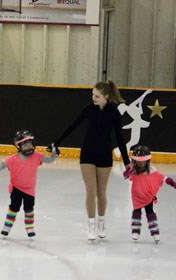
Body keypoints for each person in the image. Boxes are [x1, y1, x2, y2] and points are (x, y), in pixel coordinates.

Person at [49, 80, 132, 241]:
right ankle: (91, 225)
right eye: (92, 95)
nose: (93, 98)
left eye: (97, 96)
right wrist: (57, 142)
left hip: (104, 155)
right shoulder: (88, 110)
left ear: (106, 96)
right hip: (87, 154)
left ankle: (101, 223)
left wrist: (126, 161)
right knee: (90, 190)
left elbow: (120, 139)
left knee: (101, 191)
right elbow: (72, 126)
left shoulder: (114, 113)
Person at [0, 130, 58, 239]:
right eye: (25, 145)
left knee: (29, 208)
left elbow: (49, 160)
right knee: (13, 208)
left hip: (29, 190)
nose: (28, 146)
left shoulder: (37, 156)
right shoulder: (13, 159)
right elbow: (3, 164)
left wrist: (54, 152)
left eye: (30, 143)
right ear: (19, 146)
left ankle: (29, 227)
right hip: (16, 188)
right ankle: (7, 226)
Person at [123, 145, 176, 243]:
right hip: (136, 196)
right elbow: (125, 176)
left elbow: (162, 177)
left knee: (150, 213)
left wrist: (170, 181)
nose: (140, 162)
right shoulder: (134, 171)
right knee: (136, 213)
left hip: (147, 197)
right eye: (138, 160)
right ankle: (135, 231)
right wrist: (130, 170)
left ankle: (155, 233)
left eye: (143, 160)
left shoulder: (152, 170)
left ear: (147, 160)